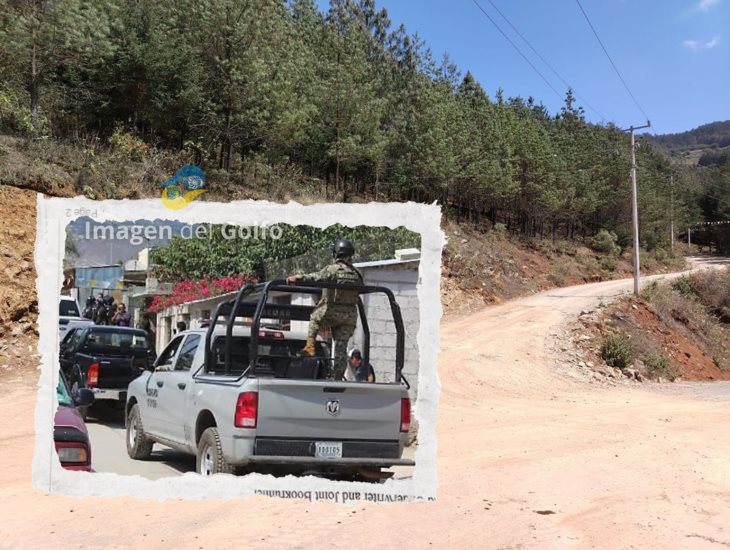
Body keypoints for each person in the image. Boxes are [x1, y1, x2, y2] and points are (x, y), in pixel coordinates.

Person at [286, 238, 363, 380]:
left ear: (336, 254)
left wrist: (298, 278)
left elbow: (316, 277)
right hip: (349, 316)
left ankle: (309, 346)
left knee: (315, 317)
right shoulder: (357, 273)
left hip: (332, 311)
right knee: (341, 347)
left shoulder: (333, 269)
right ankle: (337, 378)